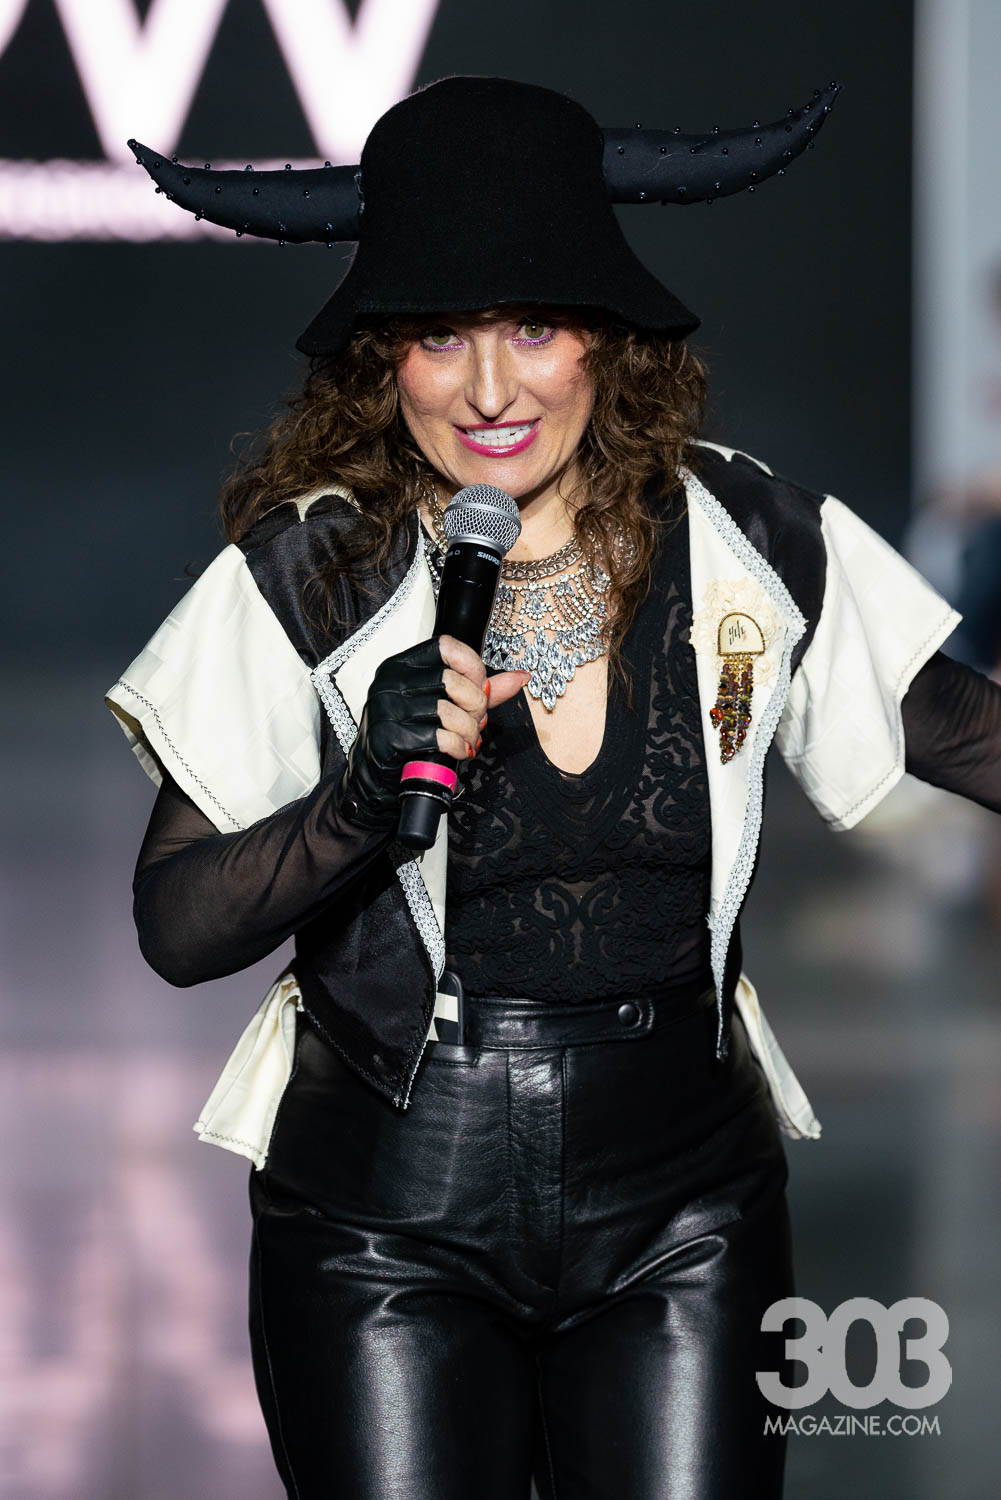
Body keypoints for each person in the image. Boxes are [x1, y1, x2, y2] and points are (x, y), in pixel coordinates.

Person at [107, 77, 1001, 1499]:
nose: (489, 390)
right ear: (380, 359)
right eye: (438, 335)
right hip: (381, 1221)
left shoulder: (747, 535)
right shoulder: (310, 571)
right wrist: (358, 797)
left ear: (608, 333)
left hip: (689, 1209)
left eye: (533, 326)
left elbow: (960, 728)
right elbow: (177, 926)